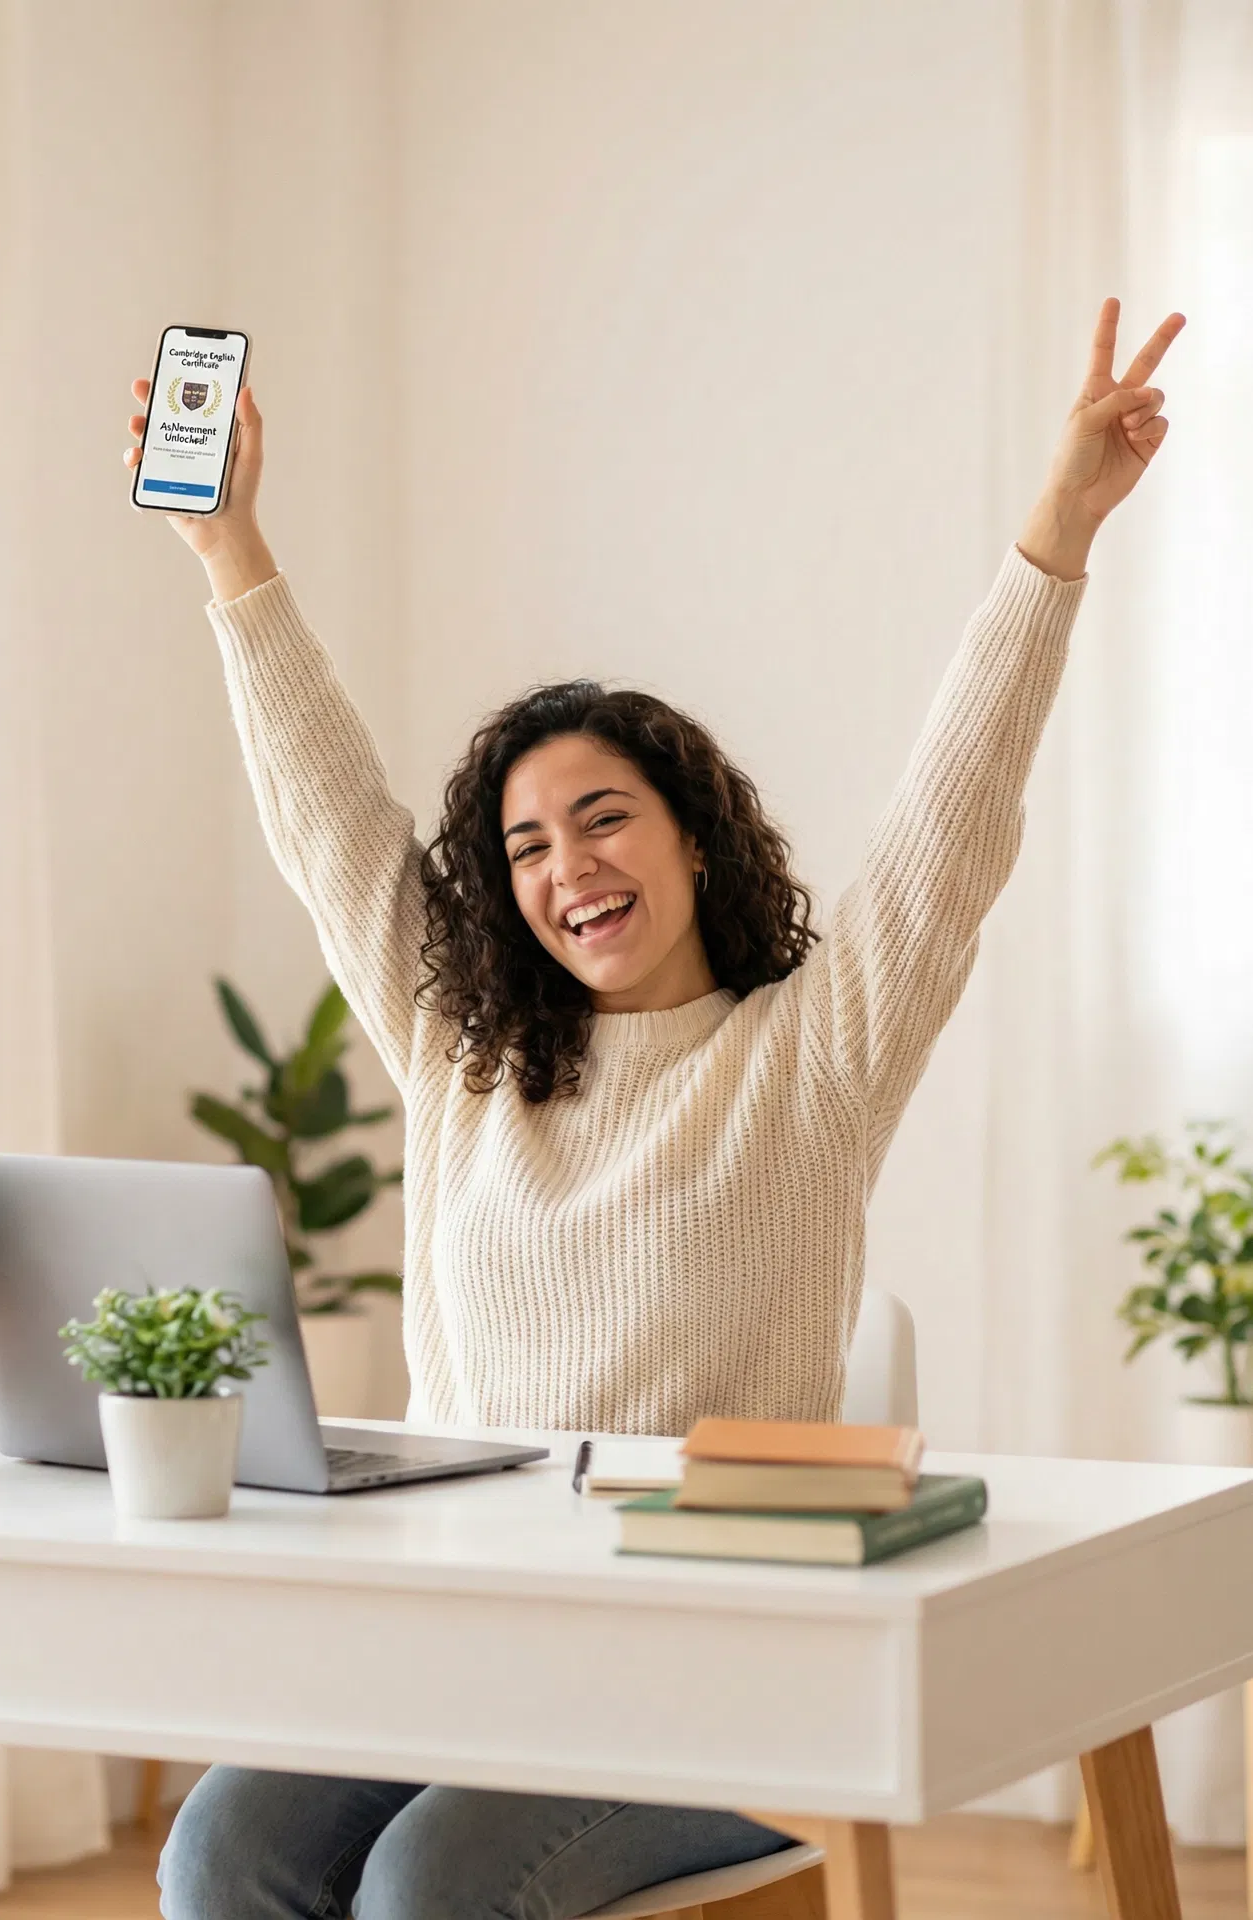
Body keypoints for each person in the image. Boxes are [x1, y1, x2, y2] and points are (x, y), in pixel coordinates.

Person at [133, 296, 1182, 1920]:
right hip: (462, 1651)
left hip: (707, 1684)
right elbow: (328, 812)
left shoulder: (813, 1050)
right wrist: (228, 551)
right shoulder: (459, 1055)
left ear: (694, 839)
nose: (568, 869)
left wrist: (1053, 536)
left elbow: (951, 815)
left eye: (602, 819)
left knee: (426, 1887)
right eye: (528, 848)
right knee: (221, 1846)